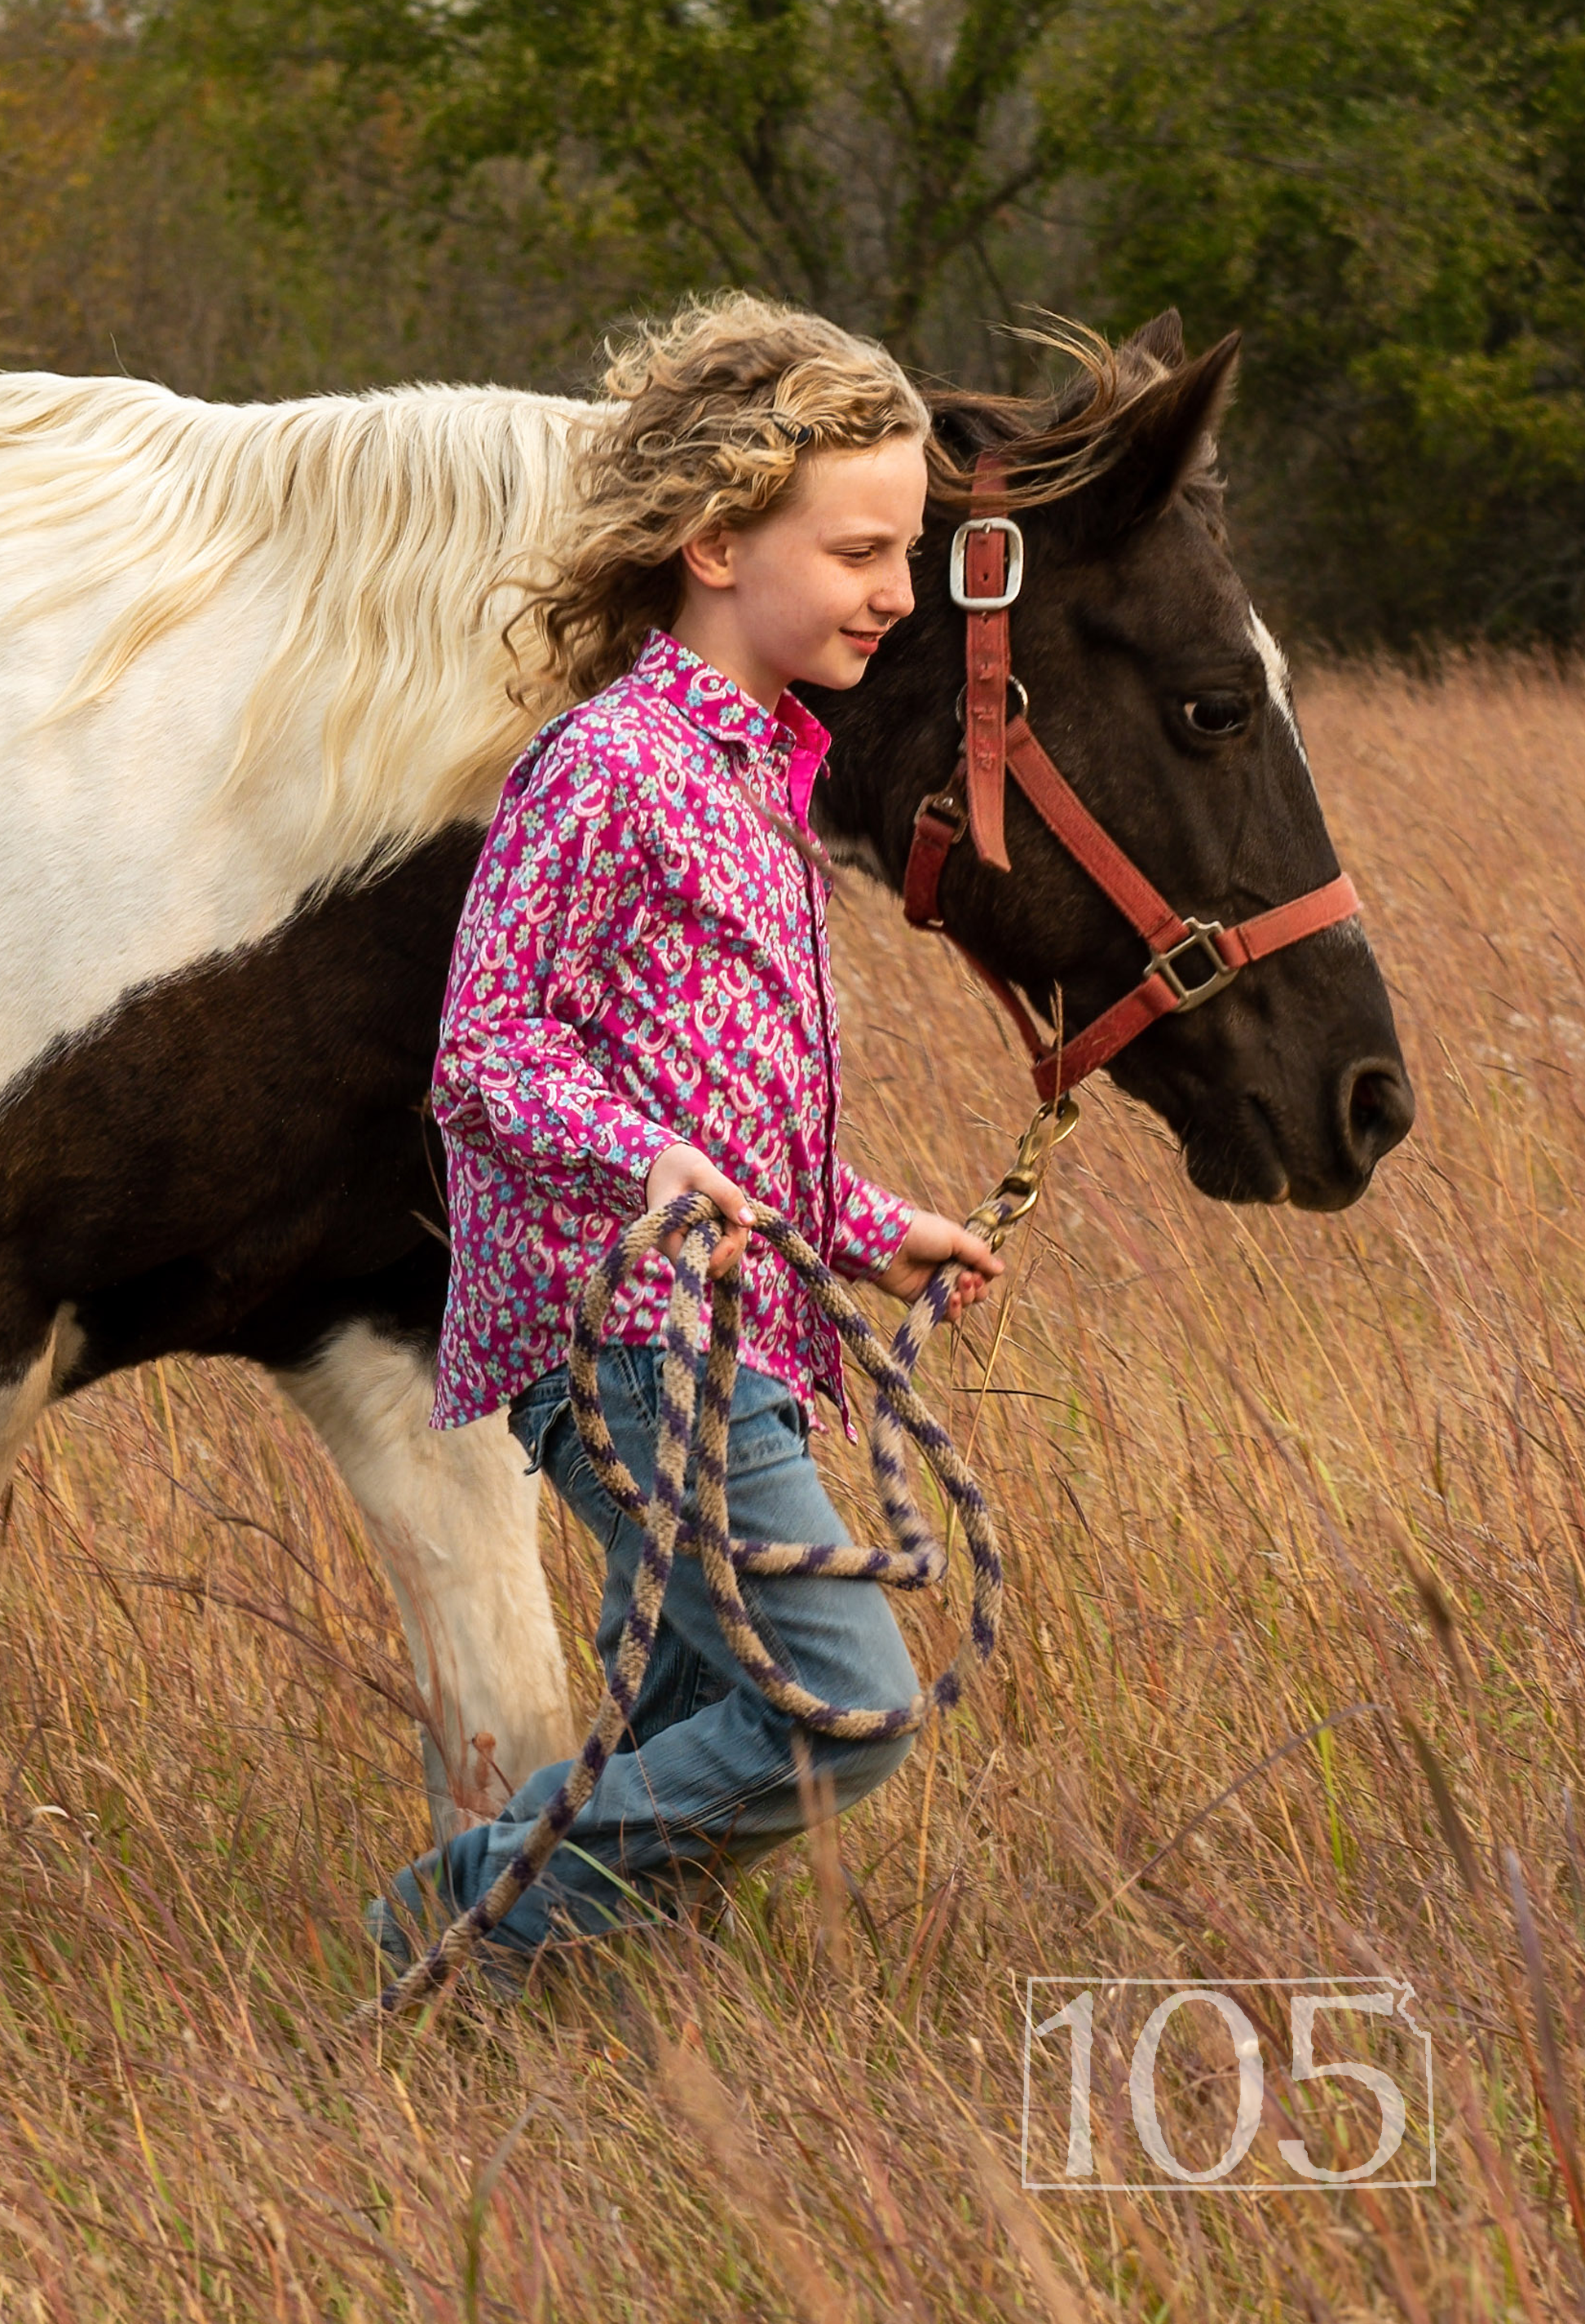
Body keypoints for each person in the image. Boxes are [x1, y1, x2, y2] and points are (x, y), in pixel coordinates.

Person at [367, 291, 1002, 1977]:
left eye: (909, 550)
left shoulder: (752, 772)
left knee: (697, 1725)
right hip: (632, 1343)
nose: (897, 591)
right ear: (717, 544)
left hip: (744, 1333)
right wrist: (637, 1167)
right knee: (837, 1710)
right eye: (861, 551)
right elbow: (483, 1050)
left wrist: (866, 1226)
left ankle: (527, 2018)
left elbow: (716, 1090)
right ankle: (450, 1931)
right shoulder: (612, 767)